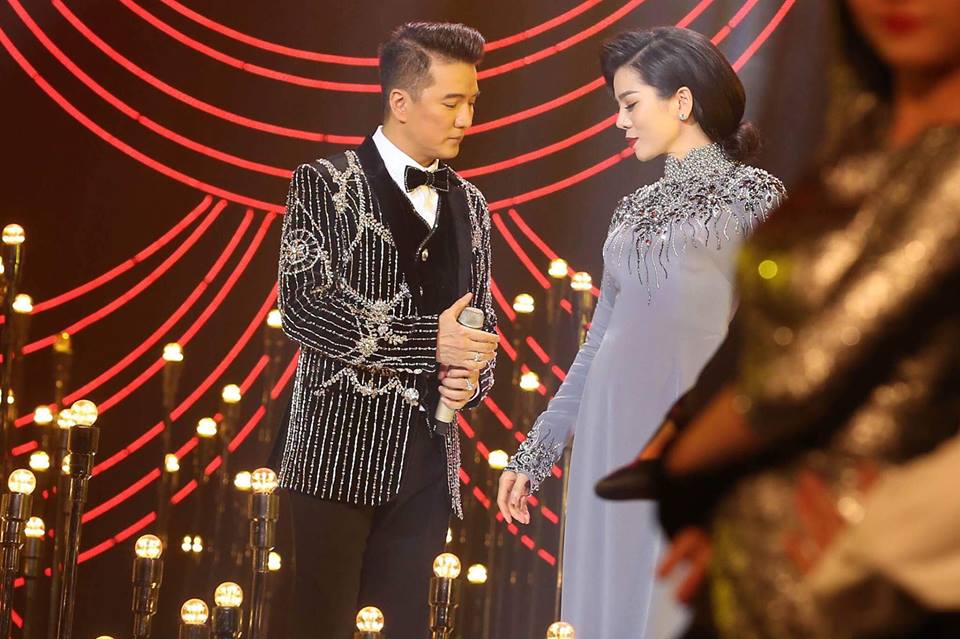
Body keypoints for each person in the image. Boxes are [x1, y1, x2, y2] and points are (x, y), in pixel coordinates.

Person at [655, 0, 960, 636]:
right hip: (746, 560)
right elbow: (766, 341)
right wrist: (714, 503)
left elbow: (804, 373)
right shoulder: (860, 132)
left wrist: (677, 474)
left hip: (873, 584)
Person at [496, 27, 785, 637]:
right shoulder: (630, 211)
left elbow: (771, 336)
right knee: (603, 606)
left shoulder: (755, 197)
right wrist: (537, 450)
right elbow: (599, 339)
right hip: (608, 434)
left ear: (682, 102)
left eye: (630, 104)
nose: (620, 121)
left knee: (674, 607)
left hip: (687, 435)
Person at [272, 22, 499, 639]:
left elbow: (483, 326)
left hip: (427, 466)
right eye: (451, 103)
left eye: (472, 103)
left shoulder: (472, 205)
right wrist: (431, 343)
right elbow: (305, 307)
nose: (466, 119)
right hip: (333, 457)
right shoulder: (324, 182)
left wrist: (472, 378)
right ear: (400, 101)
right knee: (317, 627)